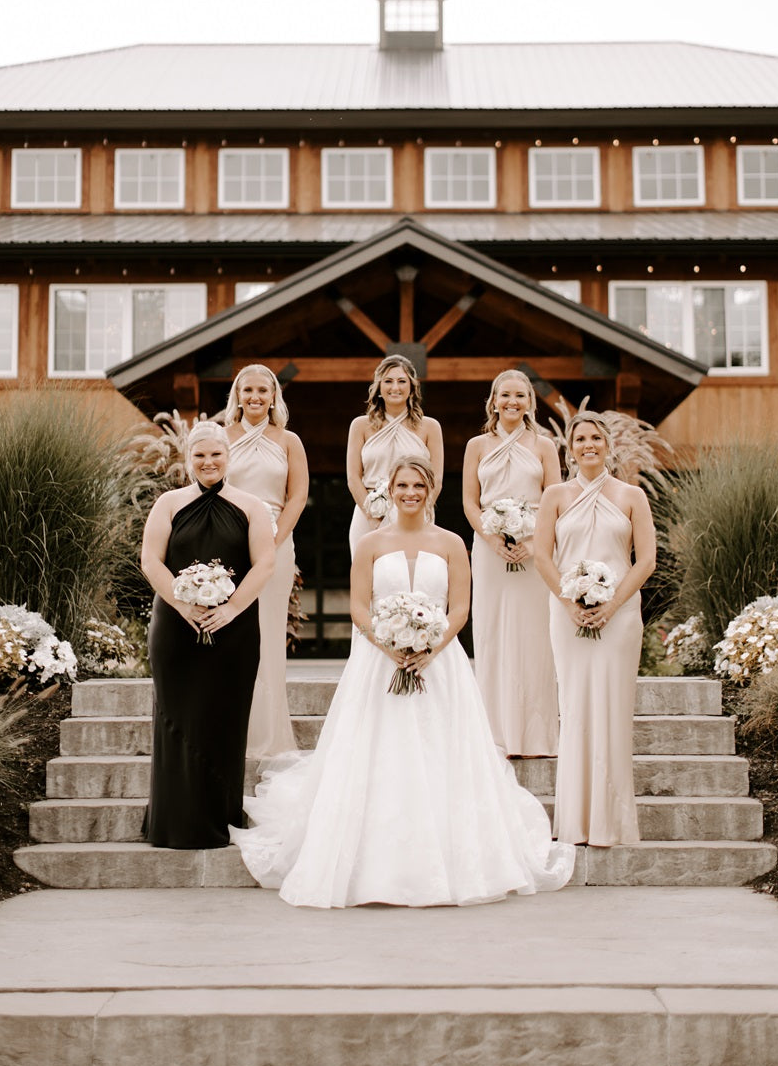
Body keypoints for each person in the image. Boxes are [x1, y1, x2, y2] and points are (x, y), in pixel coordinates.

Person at [228, 456, 576, 907]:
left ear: (430, 490)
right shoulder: (371, 543)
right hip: (379, 661)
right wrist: (387, 643)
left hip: (441, 665)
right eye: (402, 485)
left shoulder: (451, 543)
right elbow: (358, 606)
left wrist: (430, 647)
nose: (409, 493)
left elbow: (458, 609)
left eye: (418, 485)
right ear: (389, 491)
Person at [140, 421, 275, 848]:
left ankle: (220, 818)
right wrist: (183, 604)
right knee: (177, 721)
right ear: (188, 459)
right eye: (199, 455)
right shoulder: (168, 503)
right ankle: (173, 822)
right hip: (176, 630)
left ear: (228, 457)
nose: (208, 462)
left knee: (224, 721)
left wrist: (232, 608)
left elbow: (265, 564)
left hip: (233, 631)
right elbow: (150, 560)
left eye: (216, 454)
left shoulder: (252, 506)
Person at [534, 412, 656, 847]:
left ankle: (612, 822)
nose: (589, 445)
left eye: (596, 438)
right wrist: (570, 604)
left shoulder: (631, 495)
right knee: (576, 707)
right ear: (570, 447)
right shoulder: (554, 495)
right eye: (580, 438)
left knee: (612, 710)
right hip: (567, 616)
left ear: (608, 445)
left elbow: (646, 561)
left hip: (619, 616)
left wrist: (611, 605)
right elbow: (543, 556)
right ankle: (576, 823)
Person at [462, 369, 562, 757]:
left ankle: (536, 736)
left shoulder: (545, 446)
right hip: (489, 551)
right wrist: (491, 538)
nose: (512, 402)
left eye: (520, 395)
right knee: (492, 632)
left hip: (534, 550)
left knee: (533, 634)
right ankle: (494, 734)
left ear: (530, 403)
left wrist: (533, 540)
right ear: (493, 400)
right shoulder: (477, 446)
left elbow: (555, 499)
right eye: (505, 395)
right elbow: (470, 501)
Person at [224, 364, 309, 760]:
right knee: (231, 632)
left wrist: (275, 540)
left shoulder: (289, 440)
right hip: (228, 545)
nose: (255, 397)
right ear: (237, 395)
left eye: (263, 390)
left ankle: (269, 733)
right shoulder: (221, 437)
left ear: (274, 396)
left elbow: (296, 496)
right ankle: (230, 727)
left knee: (268, 634)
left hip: (276, 543)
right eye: (248, 390)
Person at [346, 354, 443, 560]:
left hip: (415, 508)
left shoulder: (430, 427)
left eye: (401, 381)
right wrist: (372, 515)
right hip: (369, 513)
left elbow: (437, 479)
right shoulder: (360, 426)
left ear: (412, 387)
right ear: (379, 387)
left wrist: (418, 512)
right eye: (388, 381)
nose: (395, 387)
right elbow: (353, 477)